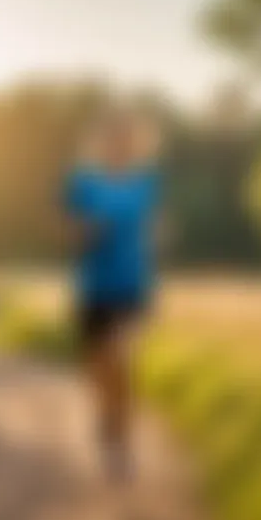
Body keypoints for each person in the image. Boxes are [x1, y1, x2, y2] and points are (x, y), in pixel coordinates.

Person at [62, 106, 163, 483]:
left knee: (122, 361)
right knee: (98, 369)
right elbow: (69, 233)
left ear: (135, 144)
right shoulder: (82, 183)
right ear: (100, 144)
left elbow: (152, 230)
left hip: (132, 286)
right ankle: (106, 421)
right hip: (92, 287)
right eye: (111, 140)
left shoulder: (146, 183)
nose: (118, 146)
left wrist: (154, 264)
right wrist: (86, 231)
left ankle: (121, 443)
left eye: (125, 140)